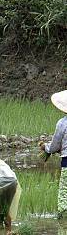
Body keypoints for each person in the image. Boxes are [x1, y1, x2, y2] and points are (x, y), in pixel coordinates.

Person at [39, 89, 67, 219]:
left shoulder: (62, 123)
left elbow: (55, 145)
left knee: (64, 191)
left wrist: (46, 148)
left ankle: (63, 219)